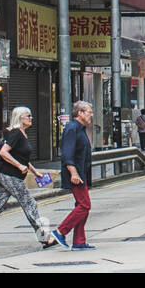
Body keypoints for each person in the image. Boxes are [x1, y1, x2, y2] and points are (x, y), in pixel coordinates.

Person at [0, 107, 57, 251]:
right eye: (28, 116)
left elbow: (22, 157)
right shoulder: (16, 133)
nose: (31, 118)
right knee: (30, 204)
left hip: (9, 176)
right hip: (10, 176)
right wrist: (18, 166)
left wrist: (35, 172)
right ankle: (44, 239)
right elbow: (3, 152)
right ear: (20, 117)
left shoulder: (22, 134)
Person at [52, 100, 96, 251]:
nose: (91, 115)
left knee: (81, 205)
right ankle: (60, 231)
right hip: (75, 174)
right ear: (80, 113)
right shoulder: (71, 128)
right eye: (89, 112)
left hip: (81, 173)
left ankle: (79, 241)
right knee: (85, 205)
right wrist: (73, 172)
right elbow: (67, 153)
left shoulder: (80, 128)